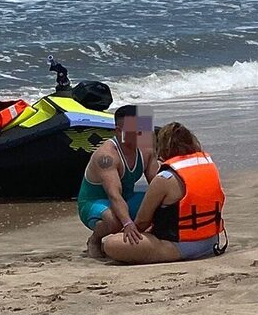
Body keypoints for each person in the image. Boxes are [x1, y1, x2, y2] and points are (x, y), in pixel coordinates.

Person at [102, 122, 227, 264]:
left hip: (180, 246)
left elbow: (142, 221)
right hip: (211, 240)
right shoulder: (208, 166)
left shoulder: (164, 178)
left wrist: (128, 232)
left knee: (111, 243)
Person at [77, 105, 159, 258]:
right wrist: (127, 223)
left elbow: (157, 184)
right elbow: (114, 195)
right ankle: (94, 240)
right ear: (119, 131)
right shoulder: (106, 156)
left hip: (126, 198)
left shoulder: (146, 148)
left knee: (161, 201)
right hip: (95, 202)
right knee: (115, 221)